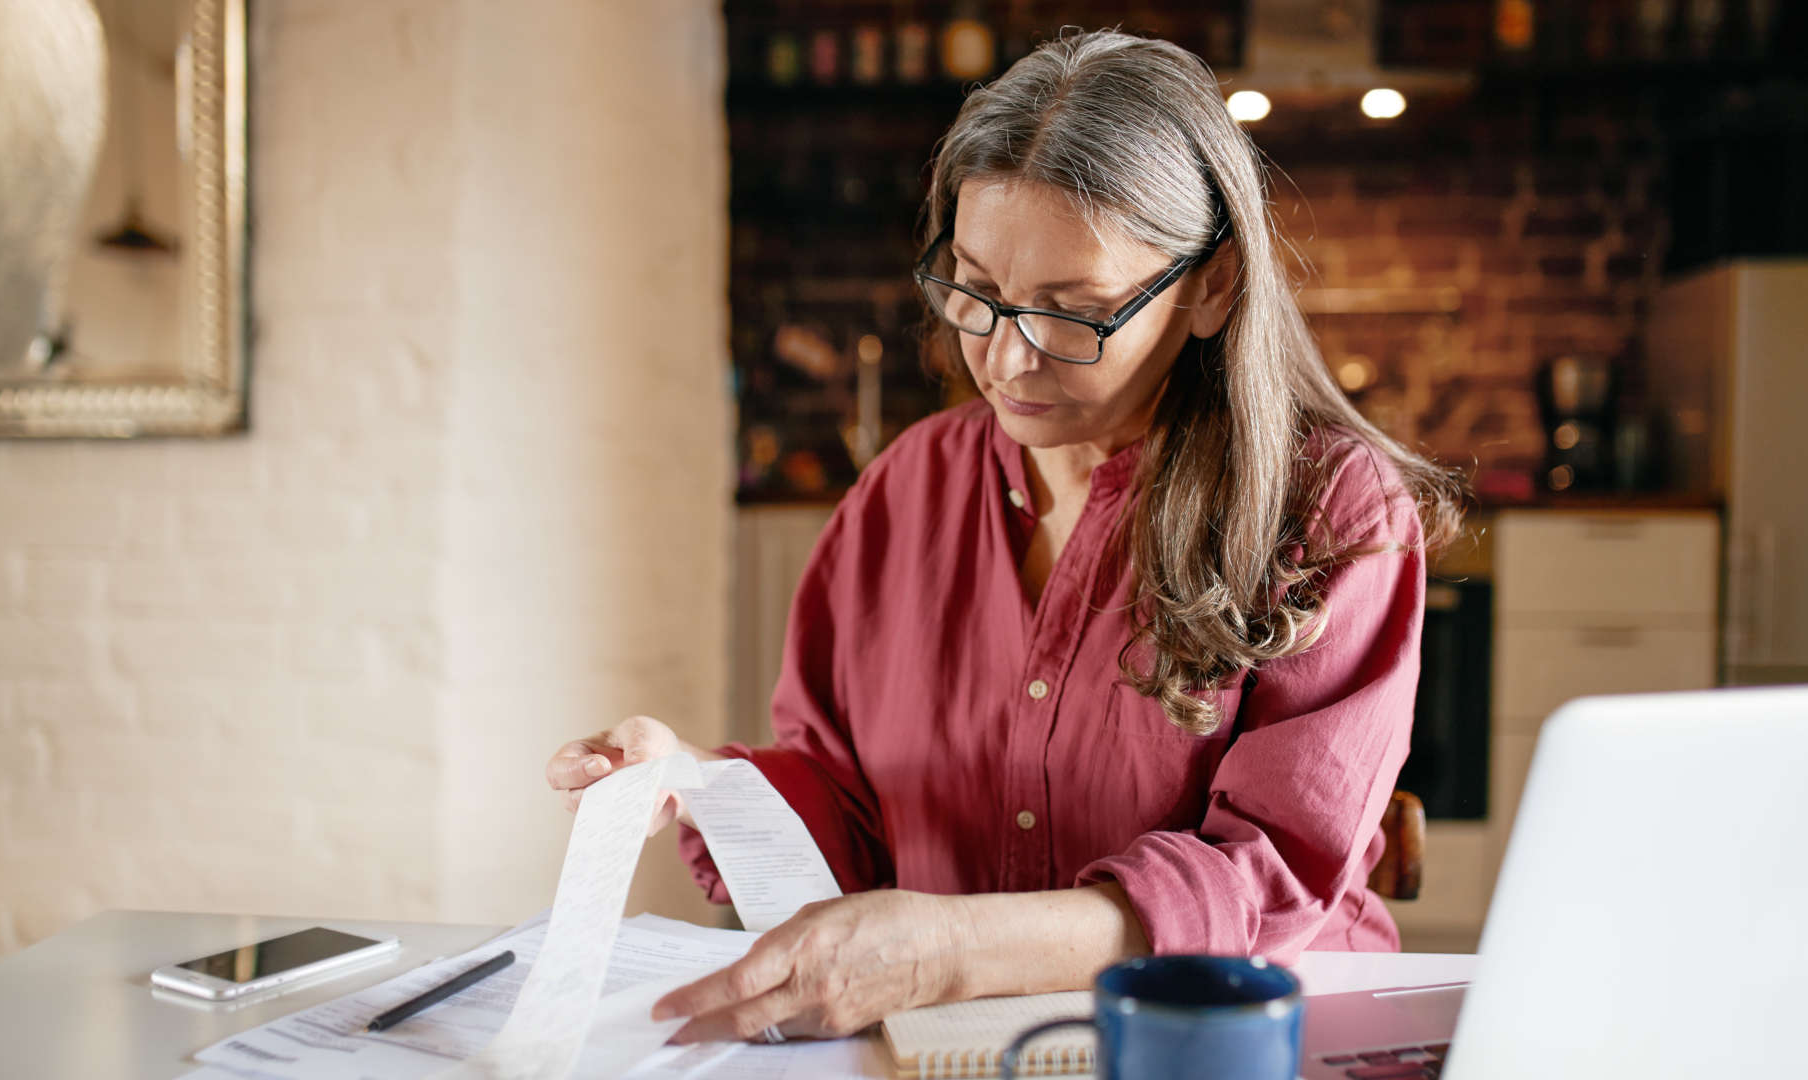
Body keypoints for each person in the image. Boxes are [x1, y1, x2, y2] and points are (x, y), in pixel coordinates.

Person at [546, 28, 1460, 1045]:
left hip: (1232, 1041)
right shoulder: (906, 491)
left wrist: (948, 951)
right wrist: (696, 785)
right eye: (977, 290)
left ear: (1211, 286)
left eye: (1075, 313)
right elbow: (848, 799)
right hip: (951, 1046)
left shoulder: (1329, 509)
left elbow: (1268, 878)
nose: (1006, 358)